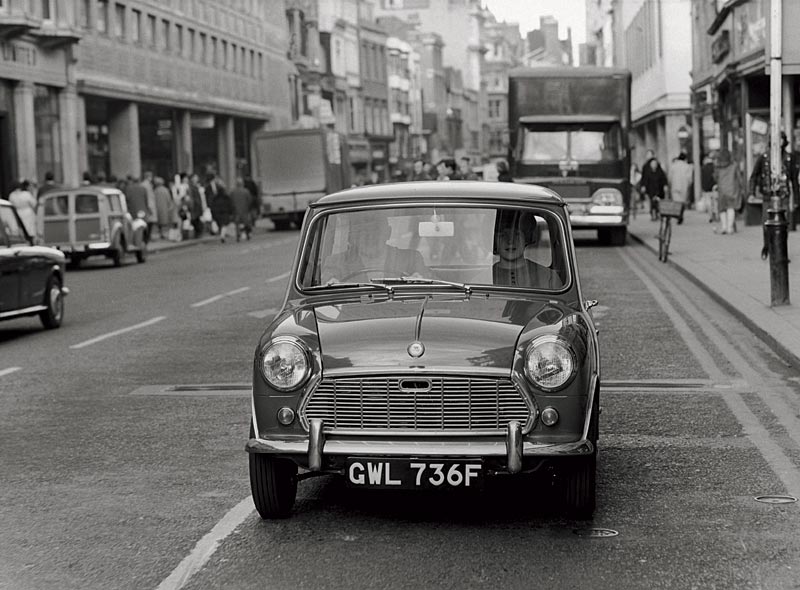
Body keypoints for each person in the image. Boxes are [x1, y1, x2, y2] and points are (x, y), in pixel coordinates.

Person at [320, 213, 426, 284]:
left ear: (388, 233)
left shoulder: (411, 259)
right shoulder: (336, 263)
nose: (370, 237)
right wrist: (331, 284)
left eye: (376, 230)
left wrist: (419, 279)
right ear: (353, 237)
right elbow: (325, 285)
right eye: (363, 231)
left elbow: (430, 285)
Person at [749, 131, 800, 260]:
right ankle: (767, 246)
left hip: (783, 196)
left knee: (784, 226)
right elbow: (754, 175)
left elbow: (794, 180)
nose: (778, 142)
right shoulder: (764, 157)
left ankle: (781, 252)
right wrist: (751, 192)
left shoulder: (789, 158)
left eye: (781, 139)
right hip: (768, 196)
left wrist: (796, 199)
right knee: (766, 224)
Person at [492, 212, 561, 289]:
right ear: (494, 241)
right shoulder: (484, 278)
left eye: (517, 234)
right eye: (502, 235)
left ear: (526, 238)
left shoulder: (549, 277)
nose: (510, 241)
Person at [713, 148, 744, 235]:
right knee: (731, 208)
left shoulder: (718, 167)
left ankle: (724, 227)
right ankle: (730, 228)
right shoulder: (734, 165)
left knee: (722, 209)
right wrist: (742, 187)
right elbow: (739, 177)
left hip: (722, 190)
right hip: (732, 190)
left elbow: (715, 177)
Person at [639, 150, 668, 221]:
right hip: (650, 187)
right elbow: (644, 177)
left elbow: (663, 177)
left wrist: (665, 185)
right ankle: (653, 213)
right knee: (652, 201)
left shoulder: (659, 169)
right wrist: (643, 185)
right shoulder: (645, 166)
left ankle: (658, 213)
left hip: (659, 187)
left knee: (659, 201)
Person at [207, 173, 233, 242]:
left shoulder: (216, 198)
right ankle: (222, 235)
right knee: (224, 224)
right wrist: (230, 211)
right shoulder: (225, 197)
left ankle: (221, 234)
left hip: (218, 212)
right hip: (224, 212)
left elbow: (213, 205)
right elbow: (229, 204)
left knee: (221, 223)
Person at [668, 153, 693, 222]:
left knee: (676, 201)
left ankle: (678, 215)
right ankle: (681, 214)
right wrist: (689, 184)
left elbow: (670, 177)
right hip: (684, 186)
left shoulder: (673, 166)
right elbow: (689, 178)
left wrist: (670, 183)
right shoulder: (687, 166)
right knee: (682, 202)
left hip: (675, 186)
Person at [230, 176, 255, 241]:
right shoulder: (246, 191)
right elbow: (250, 200)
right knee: (246, 222)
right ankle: (247, 234)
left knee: (237, 223)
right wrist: (248, 207)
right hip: (245, 210)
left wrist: (232, 208)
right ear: (242, 184)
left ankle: (238, 235)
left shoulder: (233, 192)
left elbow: (231, 201)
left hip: (236, 210)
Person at [701, 152, 718, 223]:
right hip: (714, 187)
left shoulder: (703, 168)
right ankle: (716, 214)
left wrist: (703, 187)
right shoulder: (715, 167)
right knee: (715, 202)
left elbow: (702, 179)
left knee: (708, 203)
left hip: (706, 188)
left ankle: (711, 216)